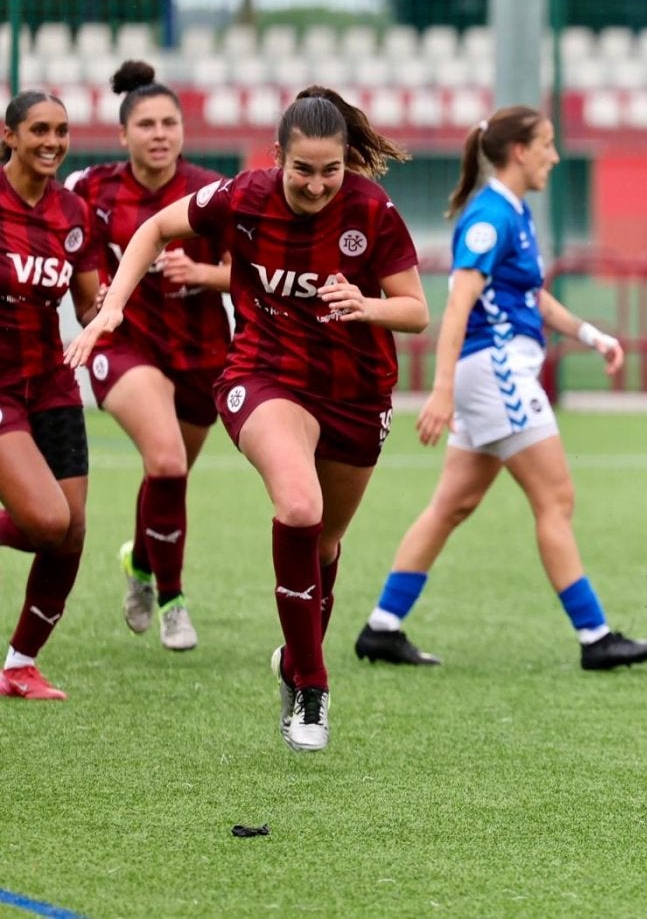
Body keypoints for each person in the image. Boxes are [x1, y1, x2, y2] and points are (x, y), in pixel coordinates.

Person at [67, 87, 429, 751]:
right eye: (303, 170)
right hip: (265, 375)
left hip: (356, 392)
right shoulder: (242, 196)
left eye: (331, 170)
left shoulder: (372, 211)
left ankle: (293, 661)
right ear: (278, 158)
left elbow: (416, 310)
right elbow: (152, 229)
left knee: (323, 546)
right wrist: (113, 306)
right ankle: (313, 688)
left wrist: (365, 304)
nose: (318, 185)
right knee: (298, 508)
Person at [354, 106, 647, 671]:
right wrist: (442, 390)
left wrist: (591, 334)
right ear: (520, 151)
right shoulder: (489, 217)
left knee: (452, 505)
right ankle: (596, 637)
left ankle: (381, 627)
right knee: (556, 499)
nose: (555, 154)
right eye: (547, 144)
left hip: (491, 374)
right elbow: (457, 305)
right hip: (496, 372)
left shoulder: (513, 212)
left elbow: (530, 297)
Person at [66, 60, 231, 651]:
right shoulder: (91, 188)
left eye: (170, 123)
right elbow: (48, 229)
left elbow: (253, 276)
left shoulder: (213, 192)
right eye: (147, 124)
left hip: (201, 352)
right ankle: (173, 602)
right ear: (123, 134)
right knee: (165, 462)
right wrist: (93, 292)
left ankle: (137, 566)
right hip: (124, 343)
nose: (159, 133)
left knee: (168, 474)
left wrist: (206, 273)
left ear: (183, 132)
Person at [0, 91, 102, 700]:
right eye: (39, 129)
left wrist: (108, 314)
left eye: (61, 131)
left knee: (72, 531)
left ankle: (18, 665)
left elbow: (90, 301)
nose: (52, 142)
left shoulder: (73, 212)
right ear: (8, 135)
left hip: (53, 384)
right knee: (45, 521)